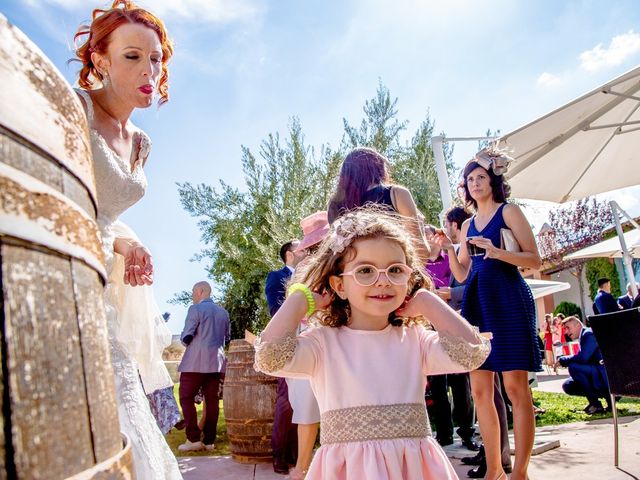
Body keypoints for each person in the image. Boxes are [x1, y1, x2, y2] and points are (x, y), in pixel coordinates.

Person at [254, 208, 491, 480]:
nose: (383, 281)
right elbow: (269, 357)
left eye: (395, 270)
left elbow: (472, 354)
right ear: (339, 285)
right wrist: (300, 299)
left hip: (412, 469)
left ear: (409, 278)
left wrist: (428, 302)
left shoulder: (415, 340)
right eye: (365, 270)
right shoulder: (323, 344)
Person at [72, 2, 180, 477]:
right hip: (66, 257)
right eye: (133, 56)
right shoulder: (74, 110)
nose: (149, 71)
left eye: (156, 59)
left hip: (101, 271)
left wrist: (124, 242)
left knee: (118, 388)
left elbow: (104, 212)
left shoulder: (142, 143)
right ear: (100, 60)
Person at [436, 147, 542, 480]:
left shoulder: (508, 212)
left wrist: (496, 251)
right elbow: (465, 273)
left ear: (493, 180)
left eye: (481, 177)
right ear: (465, 187)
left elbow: (534, 260)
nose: (475, 183)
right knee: (481, 391)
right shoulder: (466, 225)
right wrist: (447, 250)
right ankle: (494, 469)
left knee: (516, 389)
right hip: (478, 304)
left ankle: (520, 471)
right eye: (470, 179)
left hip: (509, 299)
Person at [424, 219, 478, 451]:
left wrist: (447, 295)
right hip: (429, 327)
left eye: (427, 234)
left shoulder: (452, 260)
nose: (425, 239)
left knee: (460, 380)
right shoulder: (419, 265)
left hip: (453, 323)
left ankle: (467, 431)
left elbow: (466, 286)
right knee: (437, 384)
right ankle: (444, 434)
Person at [327, 147, 430, 261]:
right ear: (378, 168)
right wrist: (420, 225)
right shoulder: (397, 194)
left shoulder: (335, 204)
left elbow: (335, 252)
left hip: (352, 274)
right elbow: (421, 253)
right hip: (390, 272)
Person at [286, 212, 328, 480]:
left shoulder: (329, 266)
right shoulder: (306, 271)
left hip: (319, 337)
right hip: (312, 336)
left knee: (309, 409)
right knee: (309, 407)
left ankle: (304, 469)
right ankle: (303, 468)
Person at [265, 240, 306, 474]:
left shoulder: (309, 276)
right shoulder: (276, 276)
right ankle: (279, 455)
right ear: (290, 254)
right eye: (302, 248)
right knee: (287, 399)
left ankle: (296, 454)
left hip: (309, 339)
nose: (306, 250)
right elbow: (275, 310)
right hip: (286, 341)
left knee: (303, 400)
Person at [177, 281, 230, 451]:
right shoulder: (223, 312)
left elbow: (186, 336)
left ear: (200, 291)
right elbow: (227, 338)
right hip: (217, 363)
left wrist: (186, 341)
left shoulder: (195, 309)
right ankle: (209, 441)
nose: (192, 295)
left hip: (195, 363)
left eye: (193, 291)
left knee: (185, 397)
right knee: (212, 401)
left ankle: (193, 439)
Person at [555, 316, 610, 414]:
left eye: (568, 328)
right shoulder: (584, 335)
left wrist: (563, 359)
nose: (566, 332)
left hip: (605, 377)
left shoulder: (588, 334)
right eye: (565, 329)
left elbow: (583, 357)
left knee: (574, 368)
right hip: (597, 372)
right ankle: (598, 402)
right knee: (568, 385)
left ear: (577, 325)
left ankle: (596, 404)